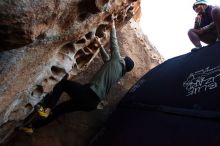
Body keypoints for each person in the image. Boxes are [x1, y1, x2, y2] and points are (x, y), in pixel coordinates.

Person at [21, 15, 134, 134]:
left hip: (89, 95)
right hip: (91, 104)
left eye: (123, 57)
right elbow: (107, 60)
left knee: (63, 84)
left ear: (123, 61)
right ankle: (32, 127)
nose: (121, 56)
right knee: (60, 110)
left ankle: (46, 107)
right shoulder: (119, 72)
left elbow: (114, 43)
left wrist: (113, 26)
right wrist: (100, 45)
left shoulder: (118, 61)